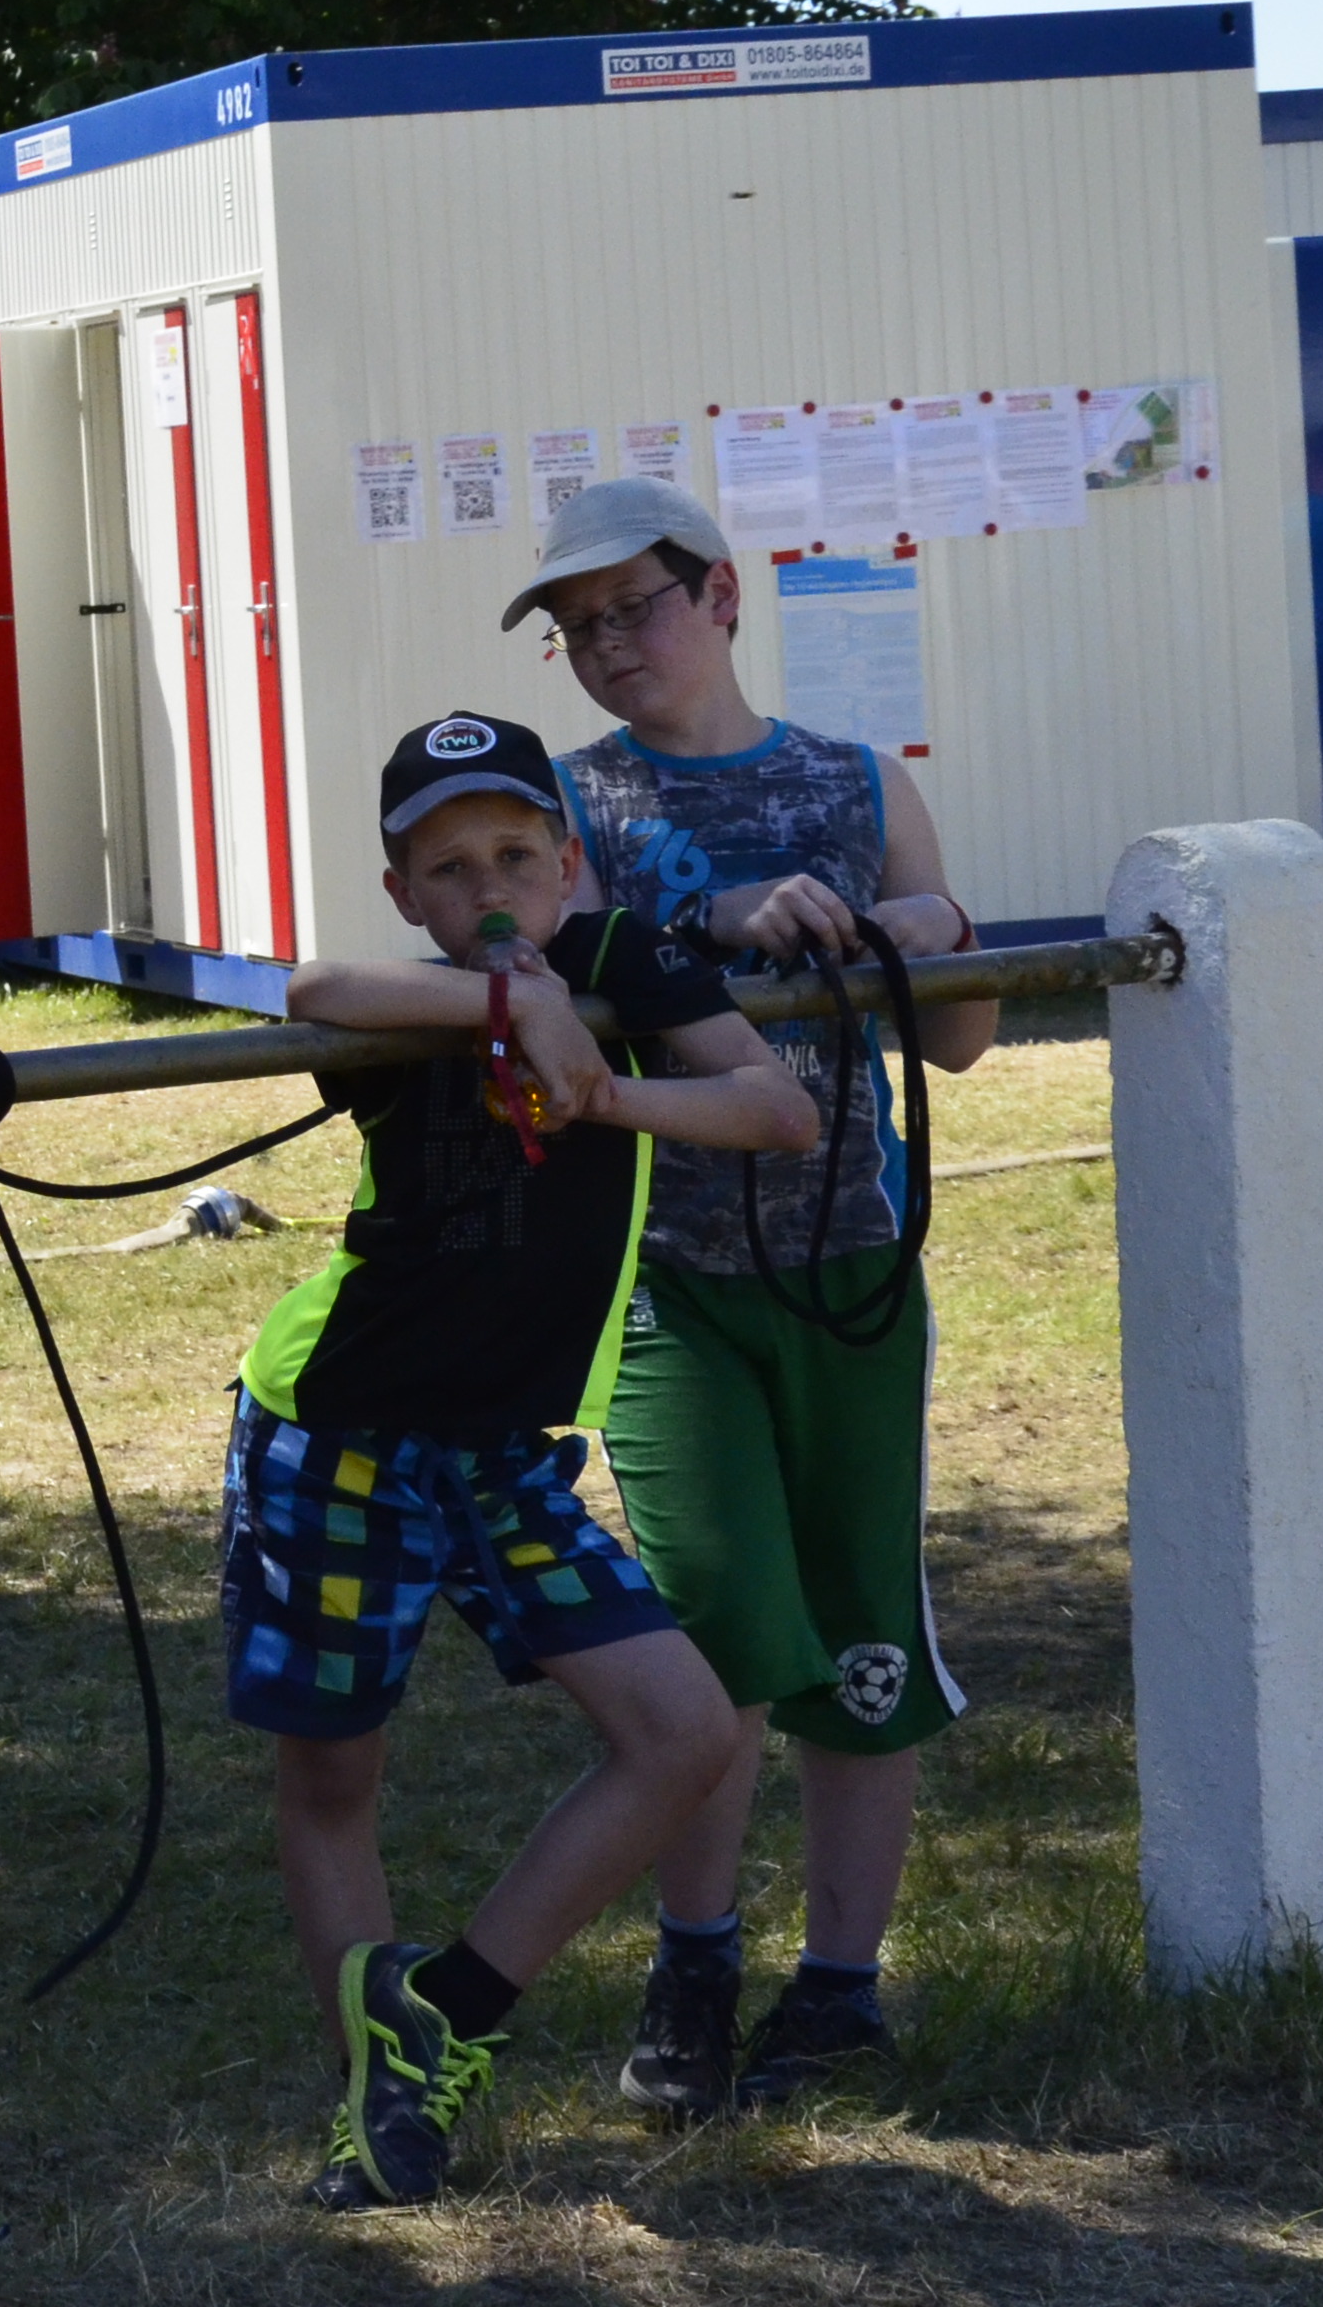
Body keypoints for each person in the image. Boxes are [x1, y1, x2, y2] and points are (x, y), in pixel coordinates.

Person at [245, 713, 813, 2212]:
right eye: (447, 868)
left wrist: (605, 1084)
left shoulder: (624, 961)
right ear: (402, 892)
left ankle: (446, 2009)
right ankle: (378, 2109)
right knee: (333, 1770)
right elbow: (308, 988)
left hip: (501, 1447)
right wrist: (506, 993)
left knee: (683, 1729)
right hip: (340, 1429)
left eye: (514, 853)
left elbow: (777, 1107)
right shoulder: (412, 1005)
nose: (487, 885)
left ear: (568, 861)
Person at [509, 478, 1002, 2116]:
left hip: (852, 1268)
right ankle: (697, 1961)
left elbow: (964, 1035)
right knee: (710, 1628)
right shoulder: (569, 803)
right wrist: (704, 922)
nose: (605, 645)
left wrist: (926, 925)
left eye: (630, 607)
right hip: (663, 1281)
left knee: (863, 1626)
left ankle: (840, 1986)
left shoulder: (856, 782)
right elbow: (536, 957)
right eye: (574, 626)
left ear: (721, 594)